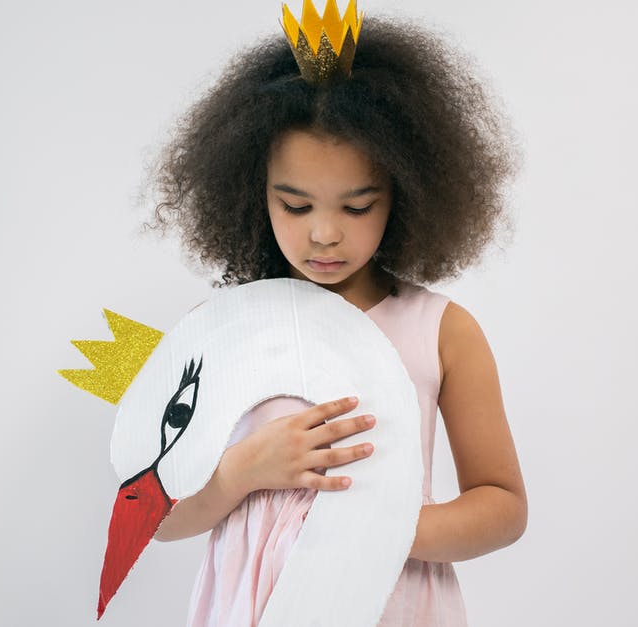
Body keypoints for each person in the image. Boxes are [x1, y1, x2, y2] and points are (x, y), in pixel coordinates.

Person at [143, 5, 527, 625]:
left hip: (391, 602)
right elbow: (154, 518)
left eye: (357, 207)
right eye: (294, 205)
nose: (324, 234)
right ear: (252, 192)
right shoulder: (216, 330)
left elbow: (503, 505)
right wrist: (243, 470)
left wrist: (379, 532)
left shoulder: (443, 332)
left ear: (404, 194)